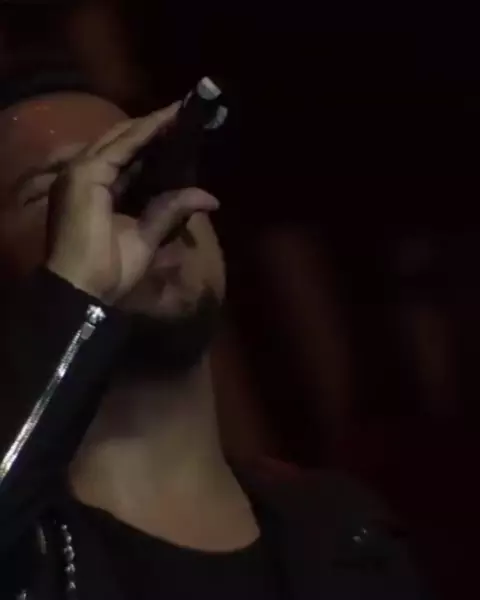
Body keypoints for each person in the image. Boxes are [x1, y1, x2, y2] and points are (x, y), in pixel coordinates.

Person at [0, 82, 425, 600]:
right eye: (55, 192)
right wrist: (76, 300)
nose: (129, 202)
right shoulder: (20, 554)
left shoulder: (348, 536)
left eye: (146, 164)